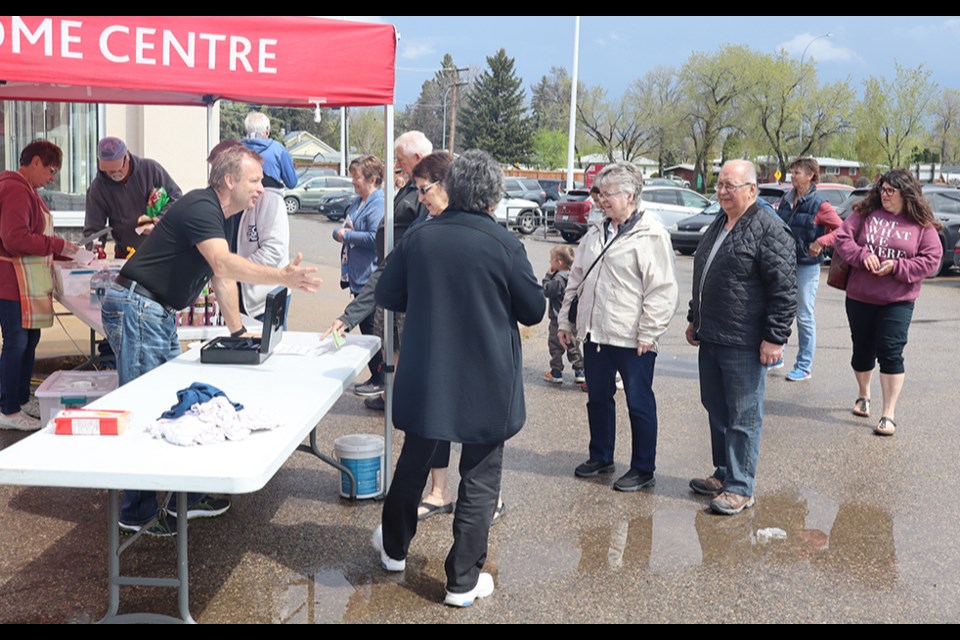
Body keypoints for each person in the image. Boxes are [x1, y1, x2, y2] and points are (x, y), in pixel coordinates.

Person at [101, 145, 322, 535]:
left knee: (179, 404)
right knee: (147, 406)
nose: (261, 189)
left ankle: (184, 498)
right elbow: (223, 265)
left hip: (152, 310)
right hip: (140, 307)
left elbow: (219, 278)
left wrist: (238, 333)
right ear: (229, 179)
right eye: (254, 180)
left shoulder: (215, 214)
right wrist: (283, 278)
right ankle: (136, 511)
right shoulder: (202, 206)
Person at [372, 150, 544, 607]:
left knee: (414, 460)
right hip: (487, 379)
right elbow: (534, 309)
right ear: (493, 195)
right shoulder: (506, 245)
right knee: (480, 477)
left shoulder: (420, 238)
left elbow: (389, 294)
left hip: (429, 374)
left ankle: (393, 549)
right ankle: (461, 581)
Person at [558, 162, 679, 492]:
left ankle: (643, 467)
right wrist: (566, 319)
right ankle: (601, 456)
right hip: (595, 333)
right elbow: (577, 278)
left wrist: (649, 332)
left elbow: (662, 288)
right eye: (600, 193)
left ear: (629, 195)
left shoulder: (652, 234)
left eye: (607, 194)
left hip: (632, 337)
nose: (601, 200)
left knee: (639, 403)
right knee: (598, 397)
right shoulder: (596, 231)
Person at [686, 160, 796, 515]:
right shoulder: (720, 222)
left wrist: (775, 338)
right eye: (719, 185)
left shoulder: (770, 228)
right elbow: (705, 272)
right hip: (713, 334)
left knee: (743, 416)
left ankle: (740, 486)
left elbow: (784, 290)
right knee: (716, 409)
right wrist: (694, 318)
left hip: (744, 340)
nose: (722, 192)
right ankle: (723, 473)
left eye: (730, 186)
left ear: (752, 189)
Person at [832, 169, 942, 436]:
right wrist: (861, 255)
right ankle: (863, 393)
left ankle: (888, 413)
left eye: (890, 191)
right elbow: (842, 238)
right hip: (860, 296)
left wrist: (897, 266)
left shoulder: (920, 224)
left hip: (897, 300)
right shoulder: (865, 213)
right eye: (882, 189)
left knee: (891, 352)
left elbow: (932, 259)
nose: (884, 194)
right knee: (862, 350)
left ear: (906, 194)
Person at [0, 140, 79, 431]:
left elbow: (32, 235)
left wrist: (64, 251)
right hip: (12, 281)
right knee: (17, 343)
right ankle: (8, 409)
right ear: (35, 162)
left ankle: (20, 398)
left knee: (29, 341)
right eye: (51, 170)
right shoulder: (15, 189)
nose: (52, 178)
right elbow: (15, 238)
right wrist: (57, 245)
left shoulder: (27, 189)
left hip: (25, 280)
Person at [350, 131, 433, 400]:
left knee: (404, 344)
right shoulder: (411, 186)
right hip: (392, 277)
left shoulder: (429, 193)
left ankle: (402, 398)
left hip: (407, 283)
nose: (398, 164)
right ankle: (390, 396)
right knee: (388, 342)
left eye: (401, 159)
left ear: (418, 158)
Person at [775, 157, 843, 381]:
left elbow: (844, 231)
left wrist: (821, 242)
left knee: (803, 315)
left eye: (797, 172)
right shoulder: (786, 198)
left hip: (807, 267)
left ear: (811, 175)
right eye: (792, 172)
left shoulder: (819, 204)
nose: (793, 176)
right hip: (784, 264)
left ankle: (804, 366)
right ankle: (777, 356)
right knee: (779, 310)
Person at [208, 139, 290, 322]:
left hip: (262, 298)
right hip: (233, 292)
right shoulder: (221, 203)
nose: (213, 177)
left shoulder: (269, 199)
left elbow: (274, 251)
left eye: (216, 169)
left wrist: (234, 268)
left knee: (266, 349)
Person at [332, 155, 385, 393]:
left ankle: (381, 379)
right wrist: (340, 233)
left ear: (372, 179)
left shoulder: (378, 203)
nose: (353, 181)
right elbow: (343, 226)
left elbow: (377, 239)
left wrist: (347, 235)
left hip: (369, 277)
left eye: (357, 176)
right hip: (356, 276)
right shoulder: (358, 201)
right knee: (366, 330)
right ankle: (377, 376)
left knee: (373, 332)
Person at [84, 136, 182, 258]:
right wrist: (94, 246)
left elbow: (176, 197)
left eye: (118, 168)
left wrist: (160, 219)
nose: (115, 173)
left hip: (160, 252)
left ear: (127, 156)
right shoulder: (97, 189)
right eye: (108, 171)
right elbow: (94, 228)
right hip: (126, 255)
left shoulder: (150, 169)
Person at [543, 245, 585, 385]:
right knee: (573, 346)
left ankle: (556, 372)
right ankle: (580, 371)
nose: (550, 263)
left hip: (557, 319)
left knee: (555, 347)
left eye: (551, 261)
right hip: (573, 319)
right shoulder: (574, 276)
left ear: (559, 262)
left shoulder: (558, 279)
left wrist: (548, 276)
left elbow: (547, 291)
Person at [240, 111, 297, 189]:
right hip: (270, 197)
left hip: (243, 198)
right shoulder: (278, 150)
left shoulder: (236, 150)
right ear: (267, 130)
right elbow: (291, 182)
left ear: (246, 130)